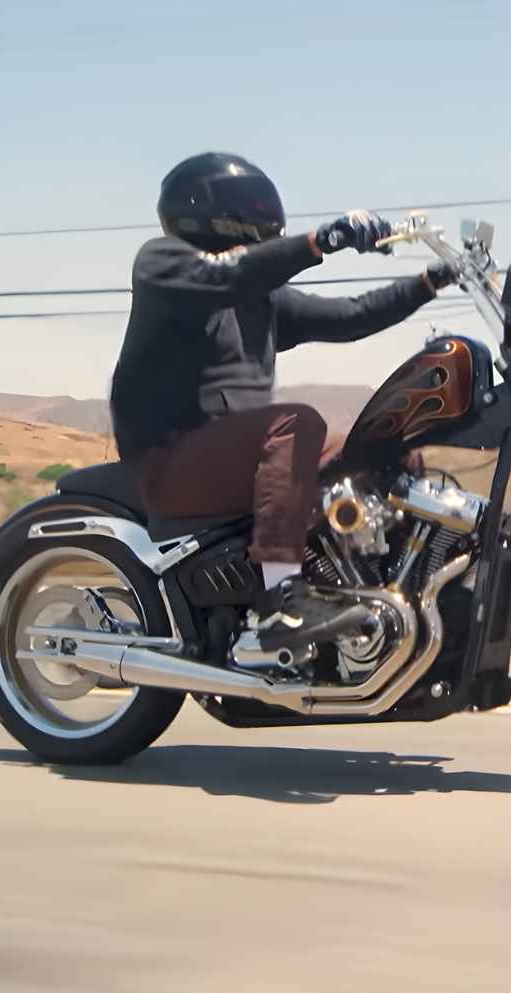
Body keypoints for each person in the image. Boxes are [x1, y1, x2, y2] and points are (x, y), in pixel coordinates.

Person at [108, 152, 455, 638]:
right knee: (296, 422)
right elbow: (227, 275)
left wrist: (429, 283)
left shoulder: (259, 298)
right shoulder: (163, 264)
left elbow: (350, 315)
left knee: (385, 446)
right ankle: (278, 597)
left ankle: (390, 589)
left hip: (231, 459)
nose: (265, 213)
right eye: (251, 202)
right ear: (212, 207)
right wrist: (323, 241)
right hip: (171, 462)